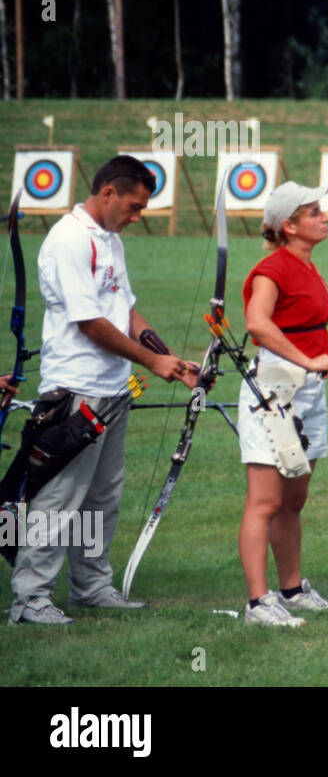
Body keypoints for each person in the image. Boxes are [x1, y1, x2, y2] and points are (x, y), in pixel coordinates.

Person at [8, 155, 197, 625]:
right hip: (77, 391)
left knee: (101, 496)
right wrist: (151, 361)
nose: (137, 218)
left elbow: (124, 310)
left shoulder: (109, 239)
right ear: (108, 192)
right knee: (60, 496)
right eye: (133, 207)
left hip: (112, 389)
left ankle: (90, 585)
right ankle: (30, 599)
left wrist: (169, 358)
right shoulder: (70, 239)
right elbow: (90, 321)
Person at [237, 182, 328, 627]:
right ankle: (259, 603)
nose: (324, 216)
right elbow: (258, 325)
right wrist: (306, 360)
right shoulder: (271, 269)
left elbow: (307, 328)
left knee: (294, 499)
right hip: (273, 390)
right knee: (265, 501)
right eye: (313, 212)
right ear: (288, 226)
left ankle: (292, 590)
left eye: (321, 210)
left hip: (307, 388)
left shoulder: (308, 266)